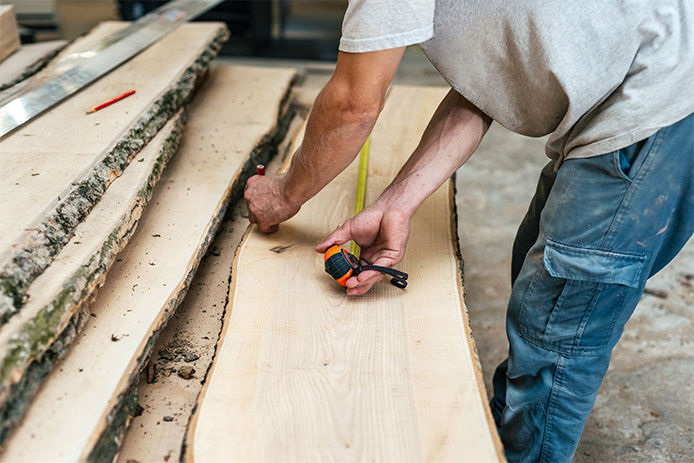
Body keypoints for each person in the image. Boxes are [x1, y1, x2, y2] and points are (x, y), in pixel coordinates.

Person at [244, 1, 694, 461]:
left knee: (557, 330)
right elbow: (484, 89)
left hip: (663, 96)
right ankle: (498, 440)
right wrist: (395, 205)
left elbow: (352, 105)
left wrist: (284, 194)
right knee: (537, 277)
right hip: (638, 73)